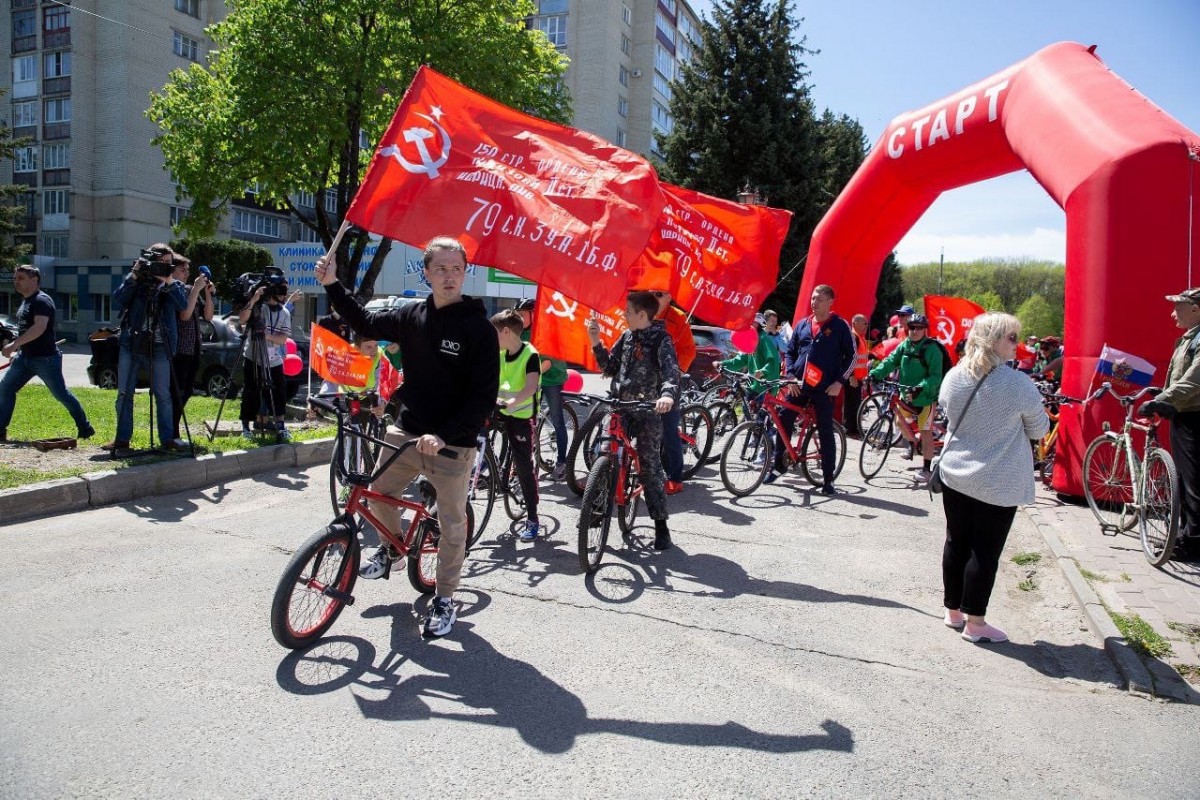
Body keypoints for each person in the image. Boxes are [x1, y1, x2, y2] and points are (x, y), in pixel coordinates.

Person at [315, 236, 497, 638]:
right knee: (378, 493)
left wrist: (444, 435)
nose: (449, 276)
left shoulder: (479, 329)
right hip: (409, 429)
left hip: (453, 441)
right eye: (441, 268)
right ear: (427, 273)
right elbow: (365, 323)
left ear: (464, 273)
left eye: (456, 269)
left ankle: (444, 599)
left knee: (451, 524)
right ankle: (392, 549)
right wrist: (332, 284)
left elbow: (482, 398)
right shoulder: (410, 314)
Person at [935, 313, 1048, 643]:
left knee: (956, 543)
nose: (1017, 343)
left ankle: (953, 611)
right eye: (1011, 337)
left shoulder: (954, 375)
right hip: (997, 479)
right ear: (993, 339)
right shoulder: (1018, 384)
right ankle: (976, 623)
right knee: (984, 552)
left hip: (956, 472)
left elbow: (946, 411)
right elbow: (1039, 429)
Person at [585, 290, 680, 550]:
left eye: (628, 311)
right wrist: (596, 342)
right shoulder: (626, 336)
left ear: (642, 314)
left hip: (649, 410)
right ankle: (596, 510)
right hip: (622, 406)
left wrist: (667, 395)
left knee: (649, 467)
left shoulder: (661, 339)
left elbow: (671, 372)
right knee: (604, 451)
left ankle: (661, 525)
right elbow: (609, 368)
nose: (624, 314)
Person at [0, 265, 95, 443]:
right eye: (15, 278)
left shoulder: (42, 300)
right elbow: (27, 331)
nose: (16, 282)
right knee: (5, 388)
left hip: (45, 359)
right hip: (24, 358)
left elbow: (39, 327)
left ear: (34, 280)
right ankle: (0, 430)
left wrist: (14, 344)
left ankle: (85, 427)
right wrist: (18, 349)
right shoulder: (26, 301)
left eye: (20, 278)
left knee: (61, 394)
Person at [107, 244, 189, 452]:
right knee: (124, 393)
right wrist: (134, 275)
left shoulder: (174, 285)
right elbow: (118, 300)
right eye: (161, 262)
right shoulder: (138, 281)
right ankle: (122, 439)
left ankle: (167, 439)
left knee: (163, 394)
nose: (165, 266)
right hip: (132, 343)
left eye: (168, 263)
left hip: (161, 345)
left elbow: (182, 306)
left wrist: (168, 280)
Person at [777, 284, 856, 494]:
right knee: (783, 417)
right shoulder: (803, 324)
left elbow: (852, 357)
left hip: (824, 388)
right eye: (813, 298)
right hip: (799, 385)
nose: (814, 302)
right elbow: (790, 352)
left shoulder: (840, 326)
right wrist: (790, 376)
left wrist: (839, 382)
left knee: (825, 430)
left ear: (830, 302)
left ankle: (828, 479)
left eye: (819, 299)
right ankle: (778, 466)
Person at [1140, 287, 1200, 557]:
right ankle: (1187, 535)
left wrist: (1160, 399)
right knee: (1186, 479)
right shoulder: (1191, 337)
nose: (1173, 313)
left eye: (1178, 307)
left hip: (1194, 416)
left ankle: (1193, 542)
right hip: (1185, 413)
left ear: (1195, 309)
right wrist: (1163, 394)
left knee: (1193, 482)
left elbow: (1193, 381)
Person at [869, 313, 944, 481]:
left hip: (925, 398)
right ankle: (912, 444)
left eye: (919, 328)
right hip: (906, 395)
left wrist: (921, 387)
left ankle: (926, 469)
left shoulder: (932, 350)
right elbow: (890, 362)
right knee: (899, 423)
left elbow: (935, 376)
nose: (915, 331)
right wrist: (875, 373)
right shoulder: (904, 346)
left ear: (925, 330)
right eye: (912, 327)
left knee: (925, 432)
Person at [493, 309, 542, 541]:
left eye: (494, 333)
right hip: (500, 410)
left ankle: (532, 518)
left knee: (524, 466)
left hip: (521, 416)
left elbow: (530, 387)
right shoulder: (500, 353)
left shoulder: (530, 354)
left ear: (506, 332)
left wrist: (511, 403)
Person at [647, 288, 696, 495]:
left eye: (658, 294)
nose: (653, 297)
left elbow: (689, 350)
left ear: (669, 297)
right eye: (650, 293)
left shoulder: (678, 317)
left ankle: (675, 477)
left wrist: (676, 373)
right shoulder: (642, 311)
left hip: (668, 380)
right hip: (644, 379)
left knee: (668, 429)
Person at [516, 296, 569, 481]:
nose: (519, 318)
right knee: (526, 419)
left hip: (552, 378)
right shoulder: (519, 332)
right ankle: (524, 461)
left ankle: (562, 463)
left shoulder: (544, 331)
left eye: (523, 314)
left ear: (533, 314)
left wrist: (528, 378)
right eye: (517, 314)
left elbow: (547, 362)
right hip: (532, 378)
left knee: (557, 420)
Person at [237, 275, 291, 442]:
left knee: (279, 393)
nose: (284, 294)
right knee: (250, 392)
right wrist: (253, 299)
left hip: (274, 360)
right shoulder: (259, 308)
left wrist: (268, 336)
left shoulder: (284, 312)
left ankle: (280, 426)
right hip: (253, 358)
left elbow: (283, 338)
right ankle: (246, 426)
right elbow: (242, 320)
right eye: (281, 290)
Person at [170, 256, 214, 447]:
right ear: (172, 271)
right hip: (180, 349)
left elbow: (208, 315)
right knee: (177, 391)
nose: (187, 273)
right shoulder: (174, 290)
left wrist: (207, 293)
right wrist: (196, 289)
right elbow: (185, 315)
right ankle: (172, 432)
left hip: (194, 347)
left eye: (188, 270)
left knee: (187, 390)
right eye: (183, 270)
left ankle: (174, 430)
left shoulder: (189, 289)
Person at [716, 313, 779, 398]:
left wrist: (762, 372)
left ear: (757, 324)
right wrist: (723, 364)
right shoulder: (751, 338)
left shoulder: (764, 339)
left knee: (754, 406)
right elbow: (741, 359)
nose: (748, 326)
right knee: (743, 404)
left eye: (752, 323)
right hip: (753, 384)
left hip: (764, 387)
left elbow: (773, 361)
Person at [844, 313, 871, 437]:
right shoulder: (854, 337)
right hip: (853, 377)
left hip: (857, 377)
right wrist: (852, 376)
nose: (866, 325)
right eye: (864, 323)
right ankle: (851, 430)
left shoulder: (860, 337)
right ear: (855, 323)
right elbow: (847, 358)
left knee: (855, 403)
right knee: (852, 404)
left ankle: (852, 428)